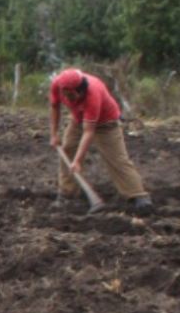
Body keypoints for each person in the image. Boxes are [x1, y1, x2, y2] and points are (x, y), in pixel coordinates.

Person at [47, 68, 151, 211]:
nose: (68, 98)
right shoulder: (57, 84)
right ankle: (68, 194)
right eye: (65, 94)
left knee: (117, 159)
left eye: (71, 95)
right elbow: (54, 106)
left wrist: (77, 161)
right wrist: (54, 134)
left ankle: (138, 195)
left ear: (80, 90)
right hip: (78, 119)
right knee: (68, 149)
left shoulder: (93, 93)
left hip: (106, 123)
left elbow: (89, 132)